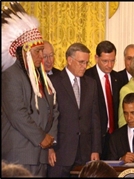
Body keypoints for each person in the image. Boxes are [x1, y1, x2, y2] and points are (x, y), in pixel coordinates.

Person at [2, 2, 58, 177]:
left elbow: (53, 109)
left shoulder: (41, 76)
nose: (42, 56)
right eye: (38, 52)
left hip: (40, 154)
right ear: (25, 51)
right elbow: (17, 114)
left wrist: (50, 140)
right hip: (20, 154)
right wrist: (42, 137)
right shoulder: (11, 74)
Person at [47, 43, 102, 177]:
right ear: (70, 60)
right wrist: (49, 148)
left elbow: (95, 119)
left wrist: (95, 149)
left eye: (86, 63)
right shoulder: (53, 82)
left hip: (84, 153)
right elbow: (48, 118)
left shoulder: (91, 84)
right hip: (60, 152)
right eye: (81, 62)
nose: (85, 66)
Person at [85, 40, 124, 160]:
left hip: (114, 137)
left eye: (112, 60)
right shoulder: (87, 77)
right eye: (105, 61)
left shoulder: (118, 78)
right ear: (96, 58)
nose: (109, 65)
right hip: (94, 139)